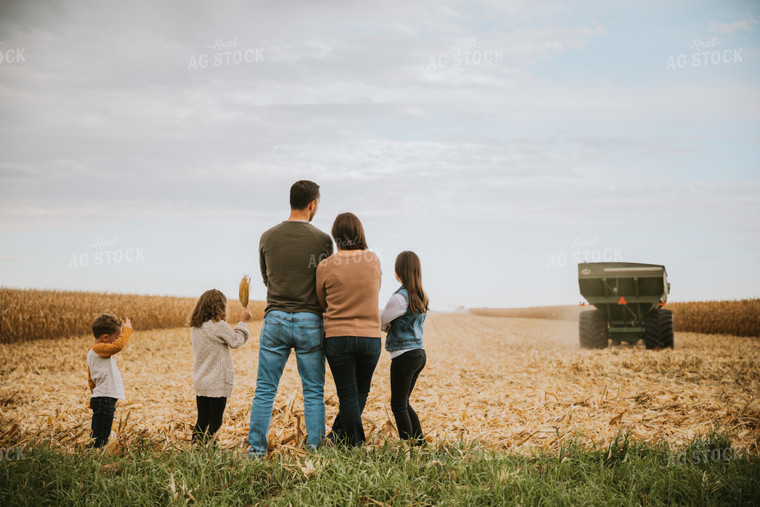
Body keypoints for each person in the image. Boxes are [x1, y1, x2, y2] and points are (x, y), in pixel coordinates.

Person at [248, 180, 334, 457]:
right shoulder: (323, 240)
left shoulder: (267, 237)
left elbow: (266, 278)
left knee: (265, 390)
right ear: (312, 204)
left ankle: (257, 451)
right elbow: (325, 282)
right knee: (312, 390)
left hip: (275, 319)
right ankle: (314, 450)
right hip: (310, 320)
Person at [316, 213, 382, 446]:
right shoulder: (373, 260)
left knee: (347, 394)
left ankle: (353, 442)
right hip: (371, 336)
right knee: (360, 391)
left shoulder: (325, 265)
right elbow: (374, 291)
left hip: (338, 336)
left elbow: (322, 302)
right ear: (360, 232)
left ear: (335, 235)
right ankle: (339, 438)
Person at [190, 289, 252, 445]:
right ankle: (209, 453)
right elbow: (236, 341)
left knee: (202, 419)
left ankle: (196, 450)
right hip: (216, 381)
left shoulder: (196, 327)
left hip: (201, 380)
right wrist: (243, 321)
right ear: (220, 306)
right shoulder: (218, 325)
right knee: (215, 422)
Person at [380, 251, 429, 445]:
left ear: (399, 271)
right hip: (419, 353)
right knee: (404, 403)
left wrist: (387, 326)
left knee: (398, 405)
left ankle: (409, 447)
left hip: (404, 356)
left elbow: (381, 322)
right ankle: (419, 444)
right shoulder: (421, 295)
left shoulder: (399, 298)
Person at [86, 313, 134, 448]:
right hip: (104, 399)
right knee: (102, 435)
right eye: (116, 337)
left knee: (97, 433)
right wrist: (127, 331)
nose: (118, 340)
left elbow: (91, 379)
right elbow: (117, 347)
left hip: (101, 398)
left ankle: (92, 454)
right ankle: (97, 456)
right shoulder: (98, 348)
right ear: (105, 338)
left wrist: (93, 395)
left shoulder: (95, 352)